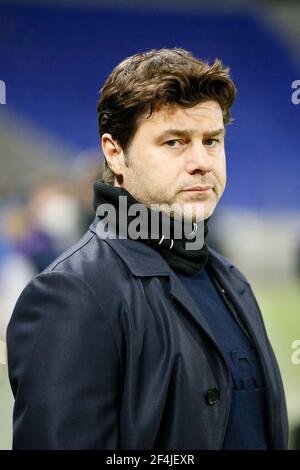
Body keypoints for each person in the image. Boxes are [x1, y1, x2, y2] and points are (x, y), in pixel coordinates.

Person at [6, 48, 288, 450]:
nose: (201, 162)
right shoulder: (71, 295)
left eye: (212, 140)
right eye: (174, 142)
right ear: (115, 153)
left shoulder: (231, 279)